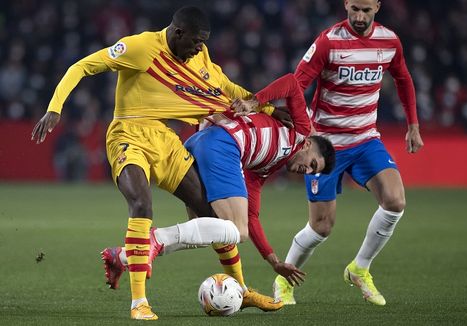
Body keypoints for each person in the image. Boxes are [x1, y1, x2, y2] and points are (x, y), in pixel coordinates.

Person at [31, 6, 280, 320]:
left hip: (164, 139)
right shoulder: (139, 47)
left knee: (214, 218)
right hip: (127, 135)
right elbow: (82, 66)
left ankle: (240, 291)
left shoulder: (199, 58)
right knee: (142, 205)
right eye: (195, 42)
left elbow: (229, 90)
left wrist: (269, 109)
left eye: (203, 42)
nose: (200, 48)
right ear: (177, 33)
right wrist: (55, 107)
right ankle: (139, 303)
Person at [103, 73, 336, 291]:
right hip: (223, 144)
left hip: (200, 142)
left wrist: (274, 262)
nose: (307, 171)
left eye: (312, 172)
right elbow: (291, 83)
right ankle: (156, 238)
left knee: (210, 229)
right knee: (235, 231)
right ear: (308, 146)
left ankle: (123, 256)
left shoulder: (264, 166)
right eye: (312, 165)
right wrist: (255, 102)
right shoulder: (301, 130)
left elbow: (252, 217)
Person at [272, 0, 424, 306]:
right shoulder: (328, 42)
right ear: (346, 5)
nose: (358, 16)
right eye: (354, 8)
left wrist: (413, 125)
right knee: (321, 227)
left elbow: (404, 79)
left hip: (366, 139)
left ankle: (360, 268)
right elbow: (297, 83)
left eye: (366, 10)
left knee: (395, 201)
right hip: (327, 145)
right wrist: (305, 130)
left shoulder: (389, 40)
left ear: (377, 7)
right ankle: (283, 279)